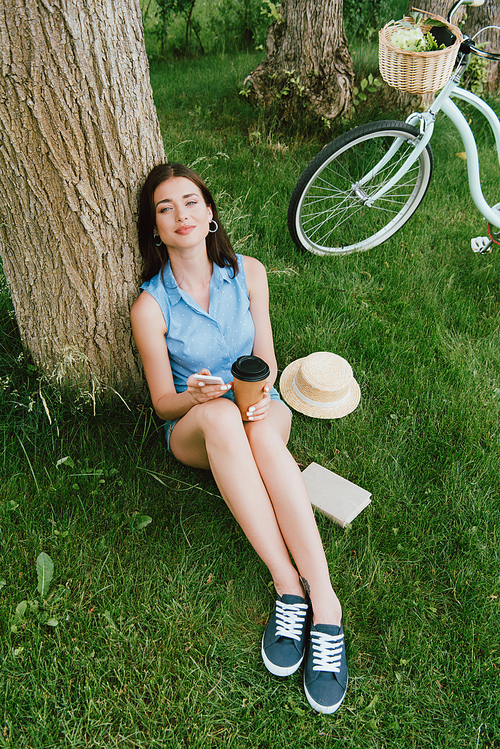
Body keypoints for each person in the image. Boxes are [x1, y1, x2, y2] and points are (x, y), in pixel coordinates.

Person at [130, 163, 348, 714]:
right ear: (155, 229)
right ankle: (286, 584)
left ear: (209, 215)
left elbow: (268, 362)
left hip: (258, 410)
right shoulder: (149, 305)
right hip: (194, 426)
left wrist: (251, 394)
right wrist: (200, 397)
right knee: (225, 420)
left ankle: (323, 606)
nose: (181, 214)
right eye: (165, 208)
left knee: (261, 436)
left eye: (190, 202)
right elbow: (162, 401)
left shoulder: (249, 272)